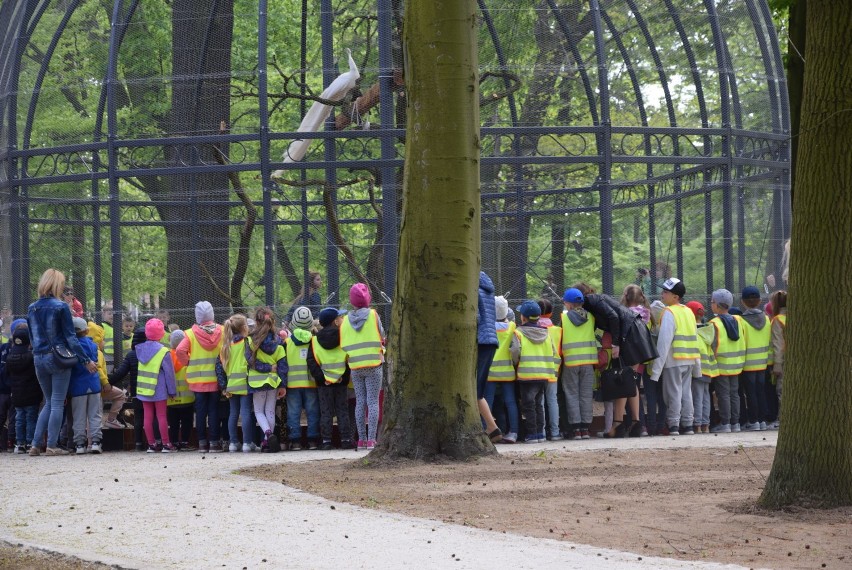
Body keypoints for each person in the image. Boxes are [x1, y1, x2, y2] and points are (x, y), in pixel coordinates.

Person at [27, 269, 98, 456]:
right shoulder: (61, 307)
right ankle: (51, 445)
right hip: (58, 358)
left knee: (49, 402)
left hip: (38, 358)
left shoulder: (32, 307)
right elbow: (71, 338)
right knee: (57, 402)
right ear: (58, 285)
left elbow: (32, 337)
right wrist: (86, 360)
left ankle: (35, 445)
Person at [648, 278, 701, 436]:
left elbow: (664, 342)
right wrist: (697, 368)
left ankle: (674, 426)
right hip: (690, 359)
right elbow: (695, 338)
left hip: (673, 360)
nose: (662, 294)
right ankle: (688, 424)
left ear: (675, 297)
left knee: (673, 393)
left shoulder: (669, 312)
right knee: (686, 393)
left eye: (665, 292)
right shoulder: (688, 312)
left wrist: (656, 371)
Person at [340, 283, 385, 450]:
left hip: (356, 366)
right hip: (374, 364)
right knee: (373, 402)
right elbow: (381, 334)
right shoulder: (374, 315)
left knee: (360, 402)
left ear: (352, 301)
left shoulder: (345, 320)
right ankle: (372, 440)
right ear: (368, 299)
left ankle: (361, 440)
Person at [571, 282, 657, 368]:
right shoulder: (591, 305)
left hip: (631, 330)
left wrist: (615, 345)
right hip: (630, 330)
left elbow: (614, 317)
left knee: (631, 374)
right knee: (631, 374)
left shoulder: (593, 300)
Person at [176, 301, 224, 453]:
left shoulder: (190, 334)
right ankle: (215, 443)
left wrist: (188, 363)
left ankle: (202, 443)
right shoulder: (222, 331)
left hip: (197, 382)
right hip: (216, 380)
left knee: (201, 412)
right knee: (214, 411)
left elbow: (179, 350)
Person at [307, 306, 354, 450]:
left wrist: (322, 378)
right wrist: (343, 377)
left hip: (324, 384)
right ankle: (346, 439)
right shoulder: (344, 338)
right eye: (340, 317)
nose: (342, 319)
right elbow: (348, 358)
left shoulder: (314, 341)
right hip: (340, 382)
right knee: (342, 410)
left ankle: (326, 441)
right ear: (335, 322)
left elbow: (311, 361)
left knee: (326, 411)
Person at [510, 300, 556, 443]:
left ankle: (531, 434)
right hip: (543, 374)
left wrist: (515, 362)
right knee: (538, 404)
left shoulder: (518, 333)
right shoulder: (546, 333)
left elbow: (515, 351)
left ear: (523, 317)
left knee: (528, 405)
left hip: (526, 375)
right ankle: (539, 434)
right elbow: (553, 351)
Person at [247, 307, 287, 452]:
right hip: (273, 381)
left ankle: (267, 434)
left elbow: (250, 361)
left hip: (257, 381)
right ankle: (267, 442)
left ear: (257, 322)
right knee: (270, 410)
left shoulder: (251, 341)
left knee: (258, 411)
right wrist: (282, 384)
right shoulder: (279, 342)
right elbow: (283, 367)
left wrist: (265, 368)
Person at [560, 288, 597, 440]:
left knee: (572, 394)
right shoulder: (592, 317)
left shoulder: (563, 317)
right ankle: (586, 428)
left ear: (568, 304)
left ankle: (576, 429)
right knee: (586, 395)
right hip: (588, 362)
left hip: (570, 362)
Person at [135, 318, 177, 452]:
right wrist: (172, 391)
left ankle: (151, 444)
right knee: (161, 416)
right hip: (159, 389)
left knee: (147, 416)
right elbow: (169, 374)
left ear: (147, 333)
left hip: (144, 388)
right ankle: (166, 444)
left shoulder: (140, 349)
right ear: (161, 334)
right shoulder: (164, 351)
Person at [708, 289, 746, 433]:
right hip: (736, 364)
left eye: (712, 302)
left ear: (717, 305)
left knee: (723, 394)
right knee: (734, 394)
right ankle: (735, 423)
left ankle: (726, 423)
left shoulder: (714, 323)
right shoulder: (738, 320)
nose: (711, 304)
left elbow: (711, 344)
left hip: (721, 365)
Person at [215, 314, 255, 453]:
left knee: (233, 414)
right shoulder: (247, 342)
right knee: (245, 413)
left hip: (231, 385)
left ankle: (233, 443)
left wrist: (224, 386)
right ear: (244, 328)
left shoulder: (225, 346)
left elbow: (219, 368)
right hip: (245, 383)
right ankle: (247, 443)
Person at [484, 296, 519, 444]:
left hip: (490, 372)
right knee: (511, 402)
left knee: (487, 402)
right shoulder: (512, 327)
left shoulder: (487, 326)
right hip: (507, 372)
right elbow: (516, 348)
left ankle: (487, 430)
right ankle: (514, 432)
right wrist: (515, 362)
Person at [617, 284, 650, 438]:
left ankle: (636, 424)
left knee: (629, 389)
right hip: (641, 359)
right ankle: (639, 426)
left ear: (625, 296)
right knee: (634, 388)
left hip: (629, 358)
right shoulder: (646, 314)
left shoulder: (624, 314)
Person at [109, 327, 150, 450]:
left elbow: (120, 373)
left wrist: (107, 382)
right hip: (152, 391)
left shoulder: (131, 355)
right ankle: (152, 442)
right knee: (150, 417)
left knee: (138, 417)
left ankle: (138, 443)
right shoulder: (153, 353)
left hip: (137, 392)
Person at [475, 272, 504, 443]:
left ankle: (492, 427)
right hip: (491, 339)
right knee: (477, 389)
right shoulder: (488, 288)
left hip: (480, 340)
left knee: (475, 391)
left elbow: (476, 316)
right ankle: (491, 427)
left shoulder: (472, 287)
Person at [68, 317, 103, 454]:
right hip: (93, 384)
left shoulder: (70, 346)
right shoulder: (93, 345)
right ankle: (95, 442)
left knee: (79, 416)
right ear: (87, 331)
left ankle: (80, 444)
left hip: (77, 385)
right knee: (95, 414)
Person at [283, 306, 316, 451]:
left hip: (292, 384)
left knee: (293, 413)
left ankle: (295, 441)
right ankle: (313, 440)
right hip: (311, 383)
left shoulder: (287, 343)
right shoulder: (314, 341)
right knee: (313, 411)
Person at [739, 286, 771, 431]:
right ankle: (763, 420)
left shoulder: (741, 321)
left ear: (742, 302)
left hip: (747, 364)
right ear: (759, 301)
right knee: (761, 391)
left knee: (750, 393)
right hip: (763, 363)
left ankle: (753, 420)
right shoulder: (766, 319)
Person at [7, 323, 40, 454]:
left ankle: (19, 443)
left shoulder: (9, 357)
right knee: (31, 418)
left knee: (19, 418)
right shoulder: (31, 356)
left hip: (16, 393)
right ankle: (30, 442)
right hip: (31, 393)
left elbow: (7, 374)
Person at [87, 321, 127, 430]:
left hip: (88, 388)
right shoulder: (97, 352)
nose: (104, 342)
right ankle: (110, 420)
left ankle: (92, 438)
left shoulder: (85, 349)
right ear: (98, 339)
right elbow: (98, 368)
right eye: (102, 339)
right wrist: (106, 383)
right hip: (99, 387)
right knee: (120, 395)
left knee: (93, 412)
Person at [687, 301, 716, 434]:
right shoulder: (707, 330)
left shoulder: (693, 332)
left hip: (697, 371)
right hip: (708, 369)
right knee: (705, 396)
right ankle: (706, 424)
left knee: (697, 397)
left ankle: (697, 424)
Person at [536, 299, 563, 441]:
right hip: (554, 369)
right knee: (553, 400)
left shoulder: (533, 329)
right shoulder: (558, 330)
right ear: (552, 313)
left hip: (538, 369)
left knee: (539, 401)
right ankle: (555, 432)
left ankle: (541, 432)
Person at [166, 330, 195, 450]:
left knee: (173, 424)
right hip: (188, 398)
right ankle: (184, 442)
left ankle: (173, 442)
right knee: (186, 423)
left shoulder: (167, 356)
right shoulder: (187, 356)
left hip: (171, 399)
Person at [767, 290, 787, 429]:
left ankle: (782, 420)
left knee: (781, 390)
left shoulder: (777, 319)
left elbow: (778, 344)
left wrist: (777, 365)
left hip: (784, 360)